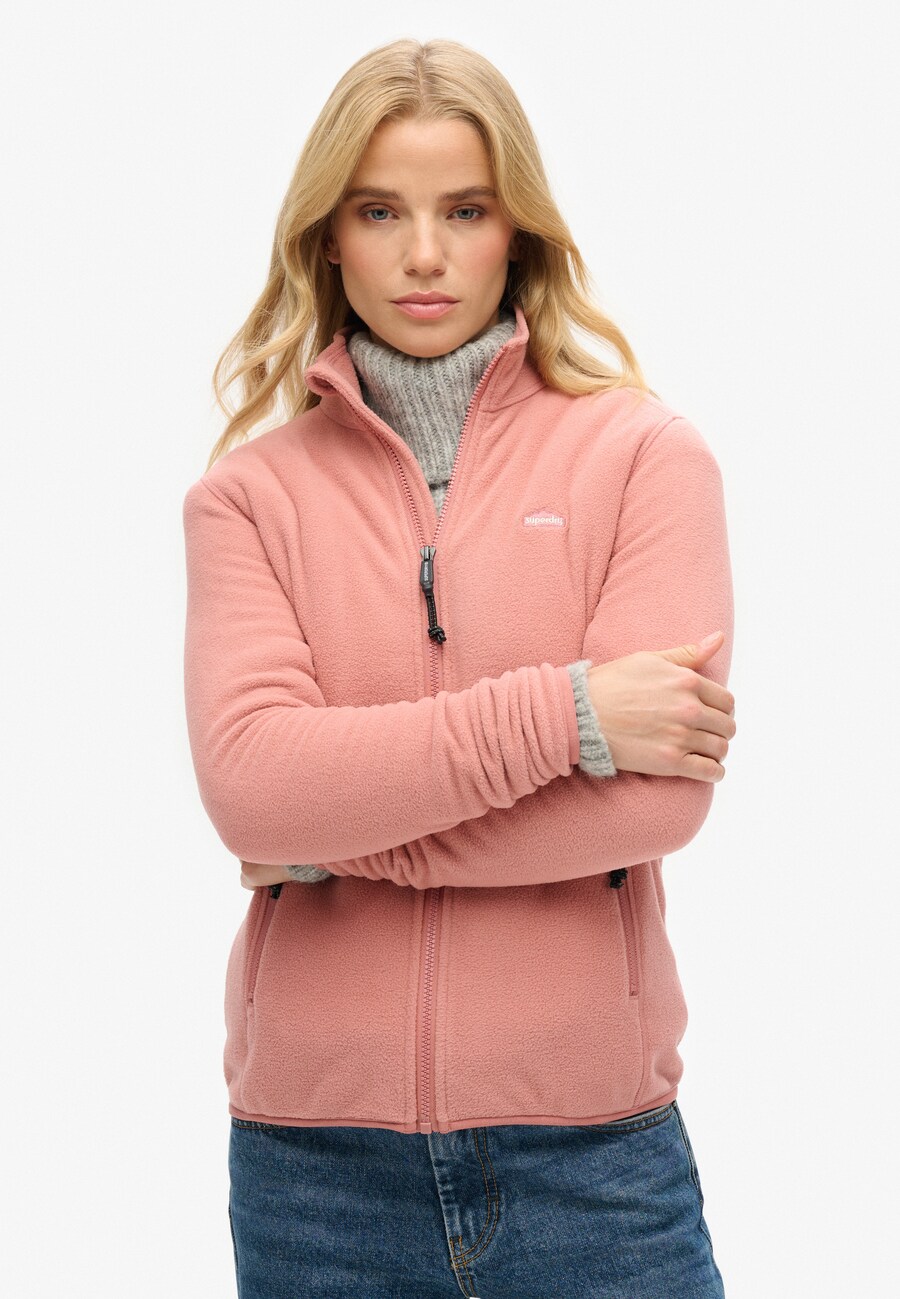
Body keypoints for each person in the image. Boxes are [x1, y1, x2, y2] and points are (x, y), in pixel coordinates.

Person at [182, 36, 735, 1299]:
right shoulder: (246, 501)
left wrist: (334, 839)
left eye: (466, 210)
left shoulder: (646, 461)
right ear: (329, 237)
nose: (424, 254)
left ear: (517, 231)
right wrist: (575, 715)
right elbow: (254, 790)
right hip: (314, 1175)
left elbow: (656, 802)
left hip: (597, 1161)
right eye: (381, 211)